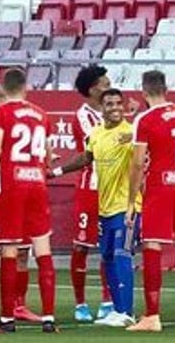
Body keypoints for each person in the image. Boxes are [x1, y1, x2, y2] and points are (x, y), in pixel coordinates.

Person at [0, 69, 59, 334]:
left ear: (3, 87)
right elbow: (47, 154)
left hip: (11, 185)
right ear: (26, 87)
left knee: (9, 250)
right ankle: (49, 318)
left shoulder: (1, 112)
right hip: (37, 184)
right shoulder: (42, 115)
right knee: (43, 251)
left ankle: (8, 319)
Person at [51, 87, 140, 327]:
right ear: (101, 109)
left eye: (118, 103)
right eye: (109, 104)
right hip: (105, 207)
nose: (114, 108)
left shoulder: (131, 133)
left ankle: (128, 312)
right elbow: (85, 158)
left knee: (122, 254)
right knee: (108, 257)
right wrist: (56, 172)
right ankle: (118, 309)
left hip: (126, 206)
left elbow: (144, 156)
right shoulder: (97, 134)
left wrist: (135, 201)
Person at [125, 70, 175, 333]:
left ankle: (152, 316)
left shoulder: (144, 120)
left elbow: (137, 163)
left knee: (152, 245)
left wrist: (130, 201)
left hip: (159, 186)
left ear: (144, 91)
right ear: (166, 88)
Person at [69, 65, 115, 323]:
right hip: (90, 187)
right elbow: (96, 143)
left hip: (113, 188)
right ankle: (80, 302)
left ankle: (107, 300)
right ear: (92, 89)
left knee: (108, 245)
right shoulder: (84, 115)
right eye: (103, 83)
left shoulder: (116, 113)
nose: (108, 85)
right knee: (81, 245)